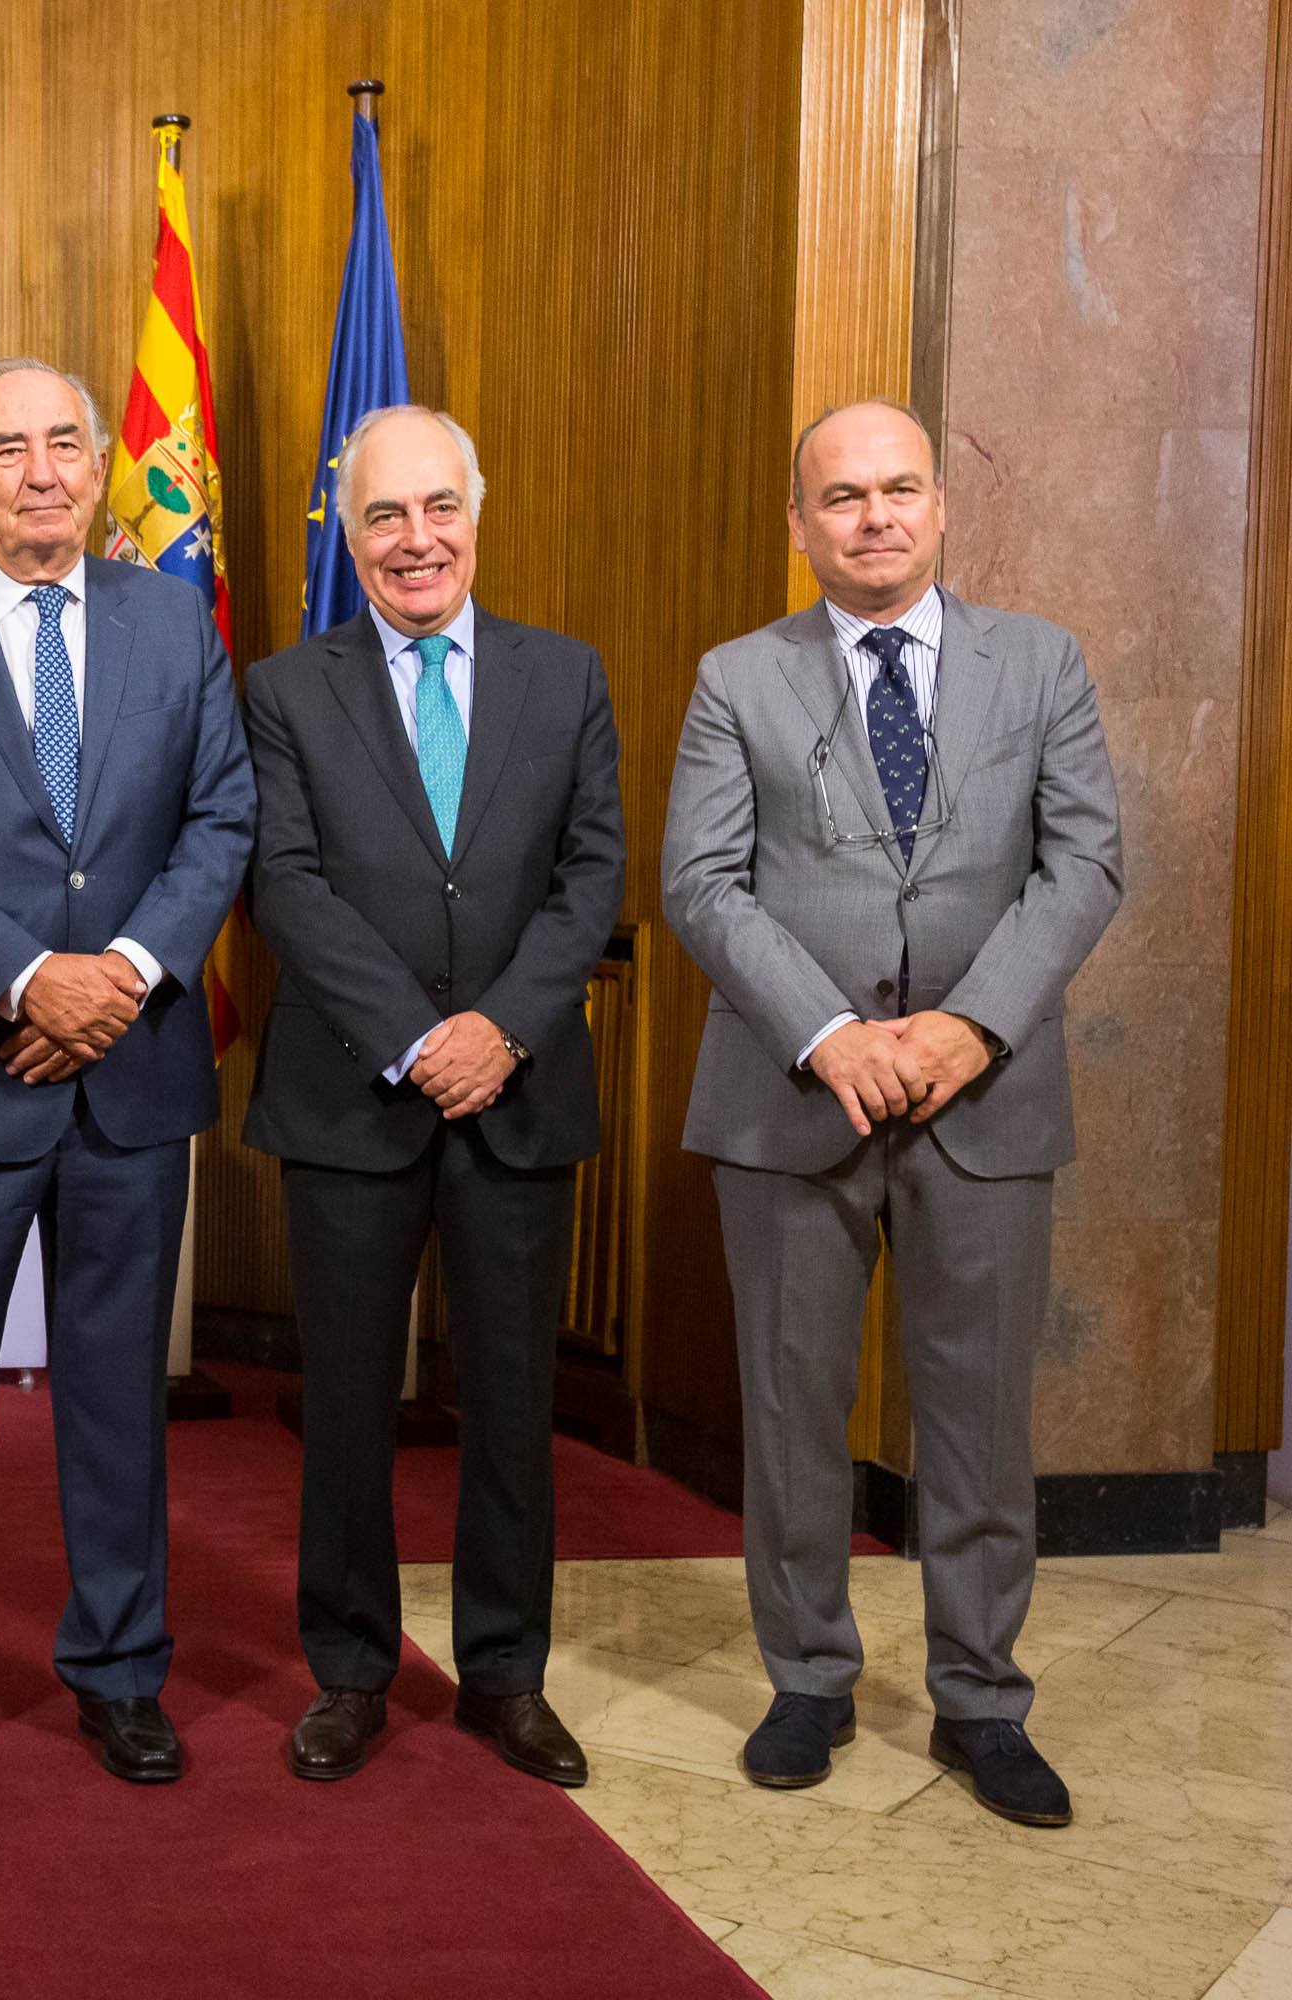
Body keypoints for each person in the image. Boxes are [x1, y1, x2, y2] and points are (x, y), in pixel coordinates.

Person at [661, 399, 1121, 1826]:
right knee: (793, 1407)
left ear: (940, 506)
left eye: (900, 488)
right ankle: (809, 1679)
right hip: (791, 1100)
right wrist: (833, 1035)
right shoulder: (738, 678)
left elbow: (1085, 864)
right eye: (844, 495)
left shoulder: (1040, 663)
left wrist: (970, 1026)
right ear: (800, 523)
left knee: (979, 1420)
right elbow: (701, 883)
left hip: (987, 1098)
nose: (875, 516)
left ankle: (983, 1700)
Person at [0, 358, 253, 1795]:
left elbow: (221, 816)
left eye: (65, 445)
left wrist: (121, 978)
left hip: (130, 1079)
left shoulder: (174, 620)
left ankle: (123, 1672)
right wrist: (28, 980)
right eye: (8, 450)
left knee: (118, 1398)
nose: (40, 472)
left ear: (98, 470)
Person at [240, 406, 624, 1790]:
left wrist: (501, 1029)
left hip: (519, 1094)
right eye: (385, 516)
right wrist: (416, 1038)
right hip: (355, 1095)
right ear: (349, 536)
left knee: (513, 1403)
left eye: (438, 508)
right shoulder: (285, 689)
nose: (416, 540)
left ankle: (506, 1676)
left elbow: (593, 876)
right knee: (346, 1404)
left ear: (478, 508)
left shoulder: (565, 677)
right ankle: (350, 1671)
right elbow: (285, 882)